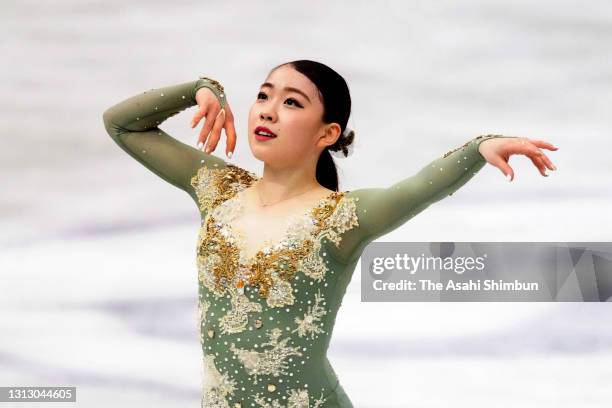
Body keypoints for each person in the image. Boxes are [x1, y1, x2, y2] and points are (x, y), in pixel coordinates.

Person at [102, 60, 558, 408]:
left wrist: (480, 148)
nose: (269, 111)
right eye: (264, 96)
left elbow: (419, 187)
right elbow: (121, 124)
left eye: (292, 102)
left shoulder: (341, 218)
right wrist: (202, 89)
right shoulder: (217, 189)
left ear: (328, 133)